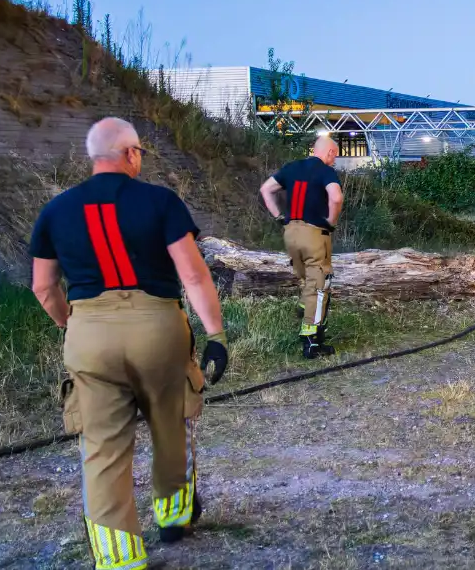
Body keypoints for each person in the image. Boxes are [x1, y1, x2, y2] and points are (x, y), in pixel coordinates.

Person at [30, 117, 229, 570]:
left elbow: (43, 286)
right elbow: (193, 274)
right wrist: (215, 334)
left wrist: (70, 323)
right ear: (130, 154)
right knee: (171, 422)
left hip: (89, 332)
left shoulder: (56, 211)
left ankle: (119, 558)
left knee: (102, 448)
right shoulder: (161, 201)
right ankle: (174, 517)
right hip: (158, 328)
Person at [259, 135, 344, 358]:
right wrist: (331, 221)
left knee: (306, 279)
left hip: (291, 233)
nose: (334, 160)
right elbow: (336, 198)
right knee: (319, 284)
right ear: (329, 152)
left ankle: (304, 307)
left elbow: (266, 189)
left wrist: (278, 216)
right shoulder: (325, 171)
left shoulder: (292, 167)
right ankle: (311, 339)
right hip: (314, 233)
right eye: (335, 155)